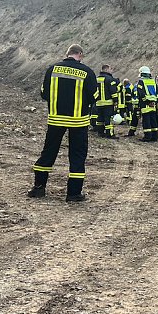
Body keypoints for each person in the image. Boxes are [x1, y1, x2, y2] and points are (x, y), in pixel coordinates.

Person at [28, 43, 98, 203]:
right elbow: (95, 96)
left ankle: (38, 188)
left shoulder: (52, 69)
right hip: (78, 121)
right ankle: (73, 194)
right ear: (79, 54)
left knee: (48, 152)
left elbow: (44, 94)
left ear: (67, 53)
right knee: (77, 156)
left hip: (55, 119)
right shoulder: (86, 72)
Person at [95, 64, 120, 138]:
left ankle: (100, 133)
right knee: (108, 119)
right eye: (110, 69)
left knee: (100, 119)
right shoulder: (109, 79)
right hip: (108, 103)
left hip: (99, 103)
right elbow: (113, 91)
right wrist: (116, 101)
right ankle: (109, 134)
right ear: (106, 70)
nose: (111, 70)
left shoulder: (96, 79)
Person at [136, 66, 158, 141]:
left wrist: (147, 102)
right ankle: (154, 136)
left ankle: (147, 137)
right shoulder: (153, 81)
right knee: (153, 121)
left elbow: (141, 93)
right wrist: (154, 102)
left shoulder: (141, 82)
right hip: (153, 105)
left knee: (146, 121)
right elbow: (157, 92)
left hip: (145, 105)